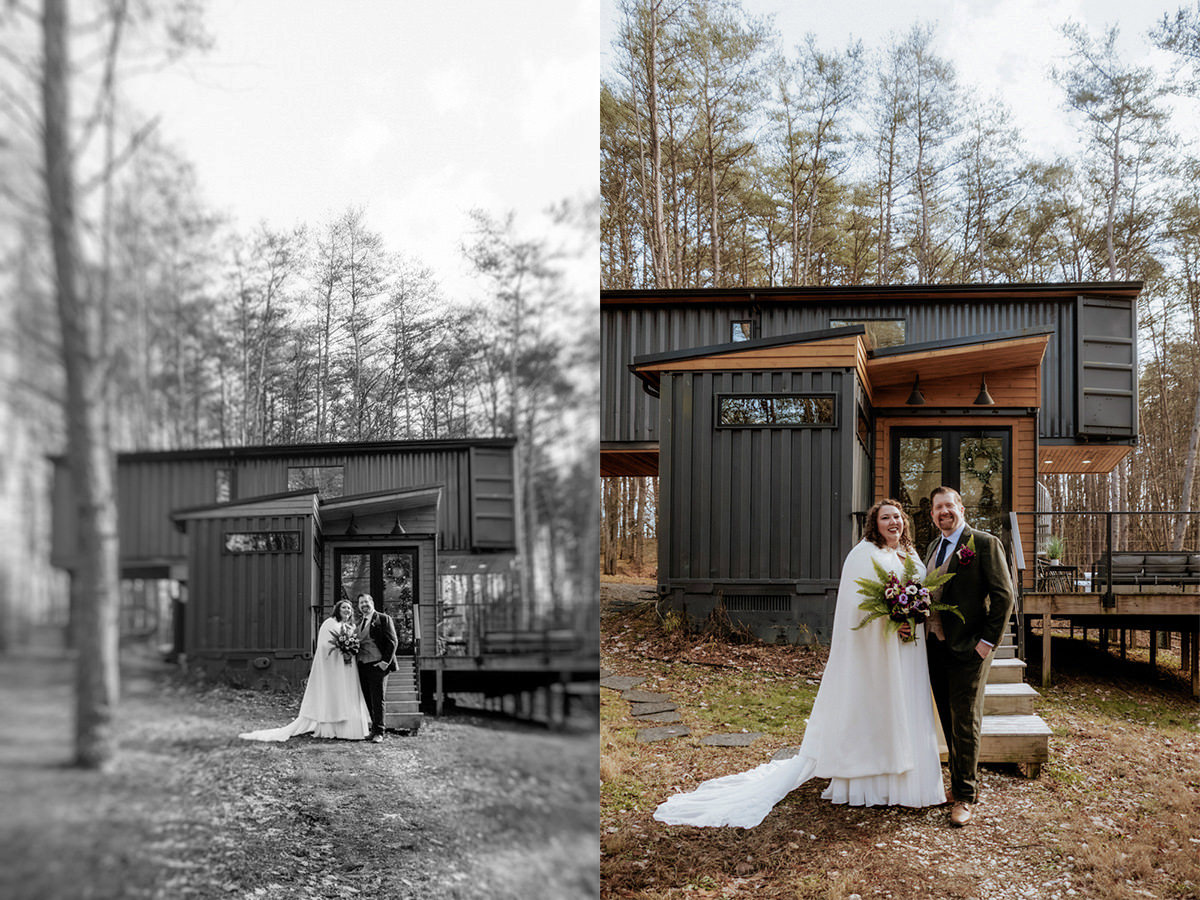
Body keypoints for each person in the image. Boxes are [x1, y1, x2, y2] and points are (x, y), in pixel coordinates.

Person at [652, 500, 945, 829]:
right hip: (878, 649)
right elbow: (857, 606)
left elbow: (922, 593)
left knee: (906, 705)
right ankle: (873, 784)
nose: (893, 522)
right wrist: (893, 617)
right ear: (874, 524)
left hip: (907, 648)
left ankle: (909, 781)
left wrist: (913, 615)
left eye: (897, 517)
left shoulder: (912, 554)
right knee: (879, 705)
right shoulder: (864, 554)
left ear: (904, 521)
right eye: (885, 518)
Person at [923, 486, 1014, 827]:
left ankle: (966, 795)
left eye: (949, 505)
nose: (943, 511)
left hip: (970, 647)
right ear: (932, 514)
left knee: (966, 720)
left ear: (961, 508)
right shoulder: (933, 547)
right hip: (935, 646)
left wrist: (986, 643)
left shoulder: (985, 543)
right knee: (947, 717)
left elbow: (1004, 598)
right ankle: (957, 783)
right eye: (937, 508)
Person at [239, 598, 371, 742]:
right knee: (335, 694)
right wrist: (342, 652)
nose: (347, 610)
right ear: (338, 610)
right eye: (344, 608)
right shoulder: (330, 623)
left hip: (348, 668)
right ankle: (332, 728)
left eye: (349, 608)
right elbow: (324, 648)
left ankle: (348, 727)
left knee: (347, 693)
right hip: (334, 667)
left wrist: (350, 650)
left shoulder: (350, 626)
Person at [355, 592, 398, 743]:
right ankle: (373, 730)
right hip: (363, 666)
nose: (364, 605)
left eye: (366, 602)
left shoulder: (383, 618)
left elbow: (392, 642)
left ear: (372, 602)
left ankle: (380, 731)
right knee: (368, 698)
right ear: (359, 606)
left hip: (378, 665)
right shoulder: (360, 623)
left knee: (378, 699)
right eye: (361, 603)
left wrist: (385, 662)